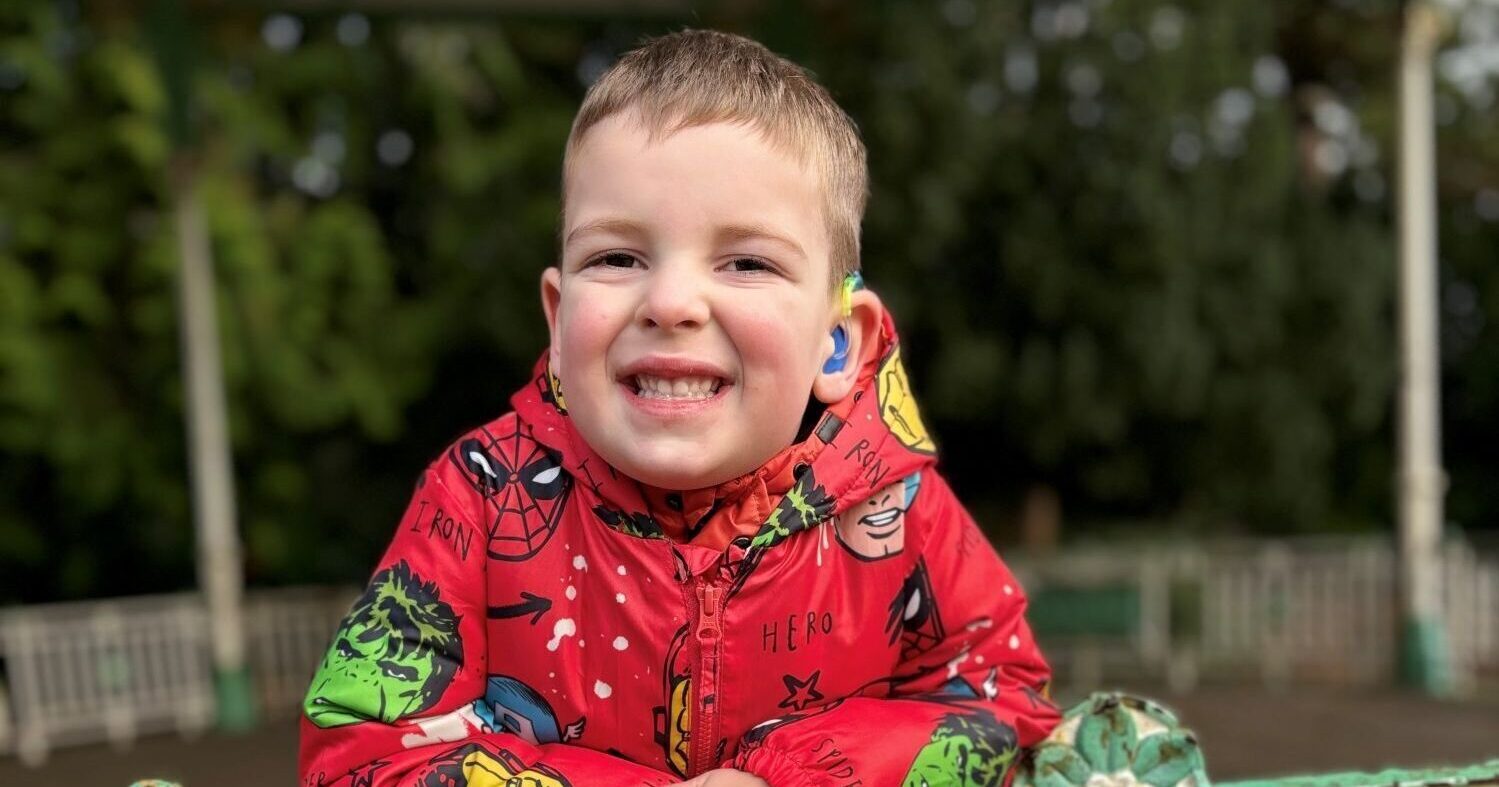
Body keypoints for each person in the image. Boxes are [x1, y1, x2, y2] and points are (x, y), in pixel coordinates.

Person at [299, 28, 1061, 787]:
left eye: (746, 262)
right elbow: (362, 749)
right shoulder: (479, 496)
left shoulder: (902, 511)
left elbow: (1004, 699)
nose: (669, 302)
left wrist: (788, 777)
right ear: (559, 326)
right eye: (617, 257)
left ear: (836, 345)